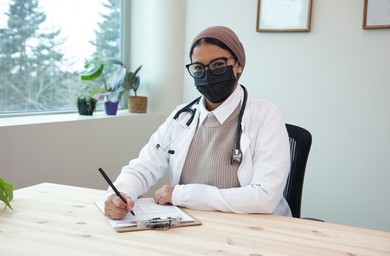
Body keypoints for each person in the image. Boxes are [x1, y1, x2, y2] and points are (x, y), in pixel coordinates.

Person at [104, 26, 291, 220]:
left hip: (253, 228)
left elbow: (264, 197)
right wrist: (119, 194)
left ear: (238, 65)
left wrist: (182, 194)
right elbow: (143, 167)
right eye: (199, 68)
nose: (208, 74)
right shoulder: (182, 116)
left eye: (218, 65)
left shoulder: (266, 116)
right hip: (192, 227)